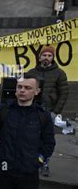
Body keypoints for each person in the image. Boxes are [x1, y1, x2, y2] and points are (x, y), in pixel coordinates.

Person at [27, 45, 68, 177]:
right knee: (30, 136)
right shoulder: (31, 72)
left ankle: (45, 163)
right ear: (39, 57)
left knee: (47, 138)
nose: (47, 58)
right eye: (44, 55)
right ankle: (30, 160)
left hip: (49, 110)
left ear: (53, 58)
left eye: (49, 55)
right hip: (32, 109)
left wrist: (56, 111)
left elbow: (64, 93)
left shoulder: (59, 73)